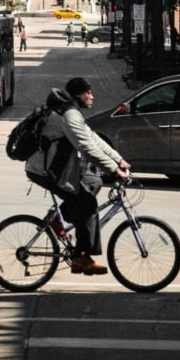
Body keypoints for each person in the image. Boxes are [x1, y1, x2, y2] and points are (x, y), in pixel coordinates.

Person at [49, 76, 130, 276]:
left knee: (94, 181)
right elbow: (87, 148)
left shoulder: (73, 113)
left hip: (61, 167)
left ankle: (58, 219)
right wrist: (114, 169)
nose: (92, 97)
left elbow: (93, 138)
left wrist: (119, 159)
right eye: (89, 93)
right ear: (79, 95)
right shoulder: (69, 115)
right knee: (87, 205)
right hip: (50, 170)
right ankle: (81, 257)